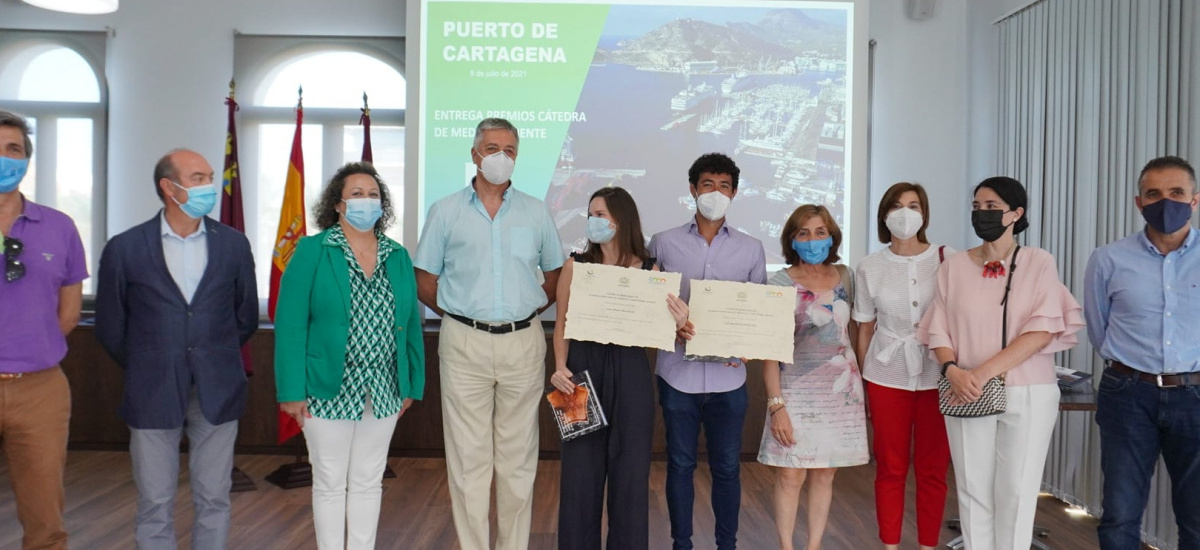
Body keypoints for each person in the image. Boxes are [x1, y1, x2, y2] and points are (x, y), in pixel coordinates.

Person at [413, 118, 565, 550]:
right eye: (493, 147)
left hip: (523, 341)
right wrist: (461, 314)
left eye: (510, 149)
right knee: (467, 460)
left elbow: (555, 277)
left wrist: (524, 311)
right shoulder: (445, 210)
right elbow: (424, 278)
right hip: (463, 342)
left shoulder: (536, 211)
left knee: (518, 460)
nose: (501, 156)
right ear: (475, 154)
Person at [95, 148, 258, 549]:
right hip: (151, 390)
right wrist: (150, 361)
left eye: (209, 176)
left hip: (217, 388)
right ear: (170, 187)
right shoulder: (125, 247)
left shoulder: (234, 245)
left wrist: (208, 353)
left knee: (215, 498)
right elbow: (111, 326)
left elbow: (246, 317)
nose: (210, 185)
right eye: (199, 177)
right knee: (154, 501)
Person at [918, 176, 1083, 550]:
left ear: (1016, 213)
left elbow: (1041, 330)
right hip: (964, 391)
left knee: (1016, 491)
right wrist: (952, 371)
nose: (981, 214)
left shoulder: (1039, 261)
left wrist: (980, 373)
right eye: (976, 207)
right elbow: (937, 330)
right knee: (973, 489)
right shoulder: (954, 266)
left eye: (991, 207)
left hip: (1028, 392)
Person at [274, 162, 424, 550]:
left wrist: (411, 384)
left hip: (385, 388)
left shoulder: (397, 256)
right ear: (338, 205)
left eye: (373, 194)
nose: (366, 200)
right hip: (326, 387)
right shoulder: (312, 250)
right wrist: (291, 392)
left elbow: (409, 323)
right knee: (328, 481)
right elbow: (290, 325)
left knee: (368, 481)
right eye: (356, 194)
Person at [549, 186, 689, 550]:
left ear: (621, 220)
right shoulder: (575, 265)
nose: (594, 221)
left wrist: (679, 318)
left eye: (601, 215)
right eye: (591, 214)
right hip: (578, 374)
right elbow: (561, 321)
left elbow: (662, 327)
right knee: (579, 477)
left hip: (631, 374)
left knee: (630, 477)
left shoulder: (650, 270)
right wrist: (560, 366)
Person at [648, 152, 767, 550]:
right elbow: (650, 306)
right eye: (707, 185)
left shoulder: (751, 249)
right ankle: (681, 543)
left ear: (735, 192)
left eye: (724, 186)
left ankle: (726, 544)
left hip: (729, 377)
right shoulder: (663, 243)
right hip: (677, 375)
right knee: (680, 465)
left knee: (728, 469)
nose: (715, 193)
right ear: (692, 190)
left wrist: (750, 341)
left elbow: (757, 311)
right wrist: (672, 326)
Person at [1085, 156, 1200, 550]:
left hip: (1196, 395)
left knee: (1197, 517)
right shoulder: (1108, 259)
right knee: (1120, 513)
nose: (1165, 201)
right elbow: (1098, 329)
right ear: (1139, 202)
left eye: (1176, 193)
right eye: (1154, 194)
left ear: (1195, 200)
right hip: (1128, 393)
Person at [0, 110, 86, 550]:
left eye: (13, 149)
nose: (4, 158)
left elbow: (68, 314)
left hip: (40, 390)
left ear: (26, 160)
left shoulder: (59, 227)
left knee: (45, 519)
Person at [758, 204, 868, 550]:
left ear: (832, 236)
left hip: (841, 390)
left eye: (820, 232)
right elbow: (770, 352)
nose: (812, 239)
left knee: (825, 472)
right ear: (792, 239)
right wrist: (777, 406)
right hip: (795, 389)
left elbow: (855, 332)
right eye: (803, 233)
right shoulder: (779, 281)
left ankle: (814, 546)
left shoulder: (847, 276)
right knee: (790, 474)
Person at [853, 183, 952, 550]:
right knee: (891, 468)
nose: (905, 213)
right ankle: (890, 545)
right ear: (884, 215)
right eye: (897, 206)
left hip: (936, 375)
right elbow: (864, 327)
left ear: (924, 214)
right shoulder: (869, 266)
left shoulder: (947, 259)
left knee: (932, 470)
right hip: (885, 376)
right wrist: (865, 383)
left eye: (913, 205)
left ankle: (928, 545)